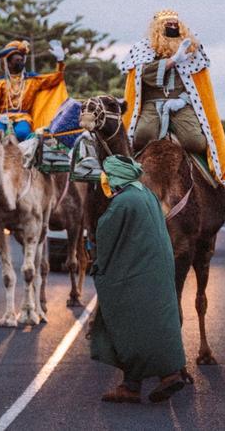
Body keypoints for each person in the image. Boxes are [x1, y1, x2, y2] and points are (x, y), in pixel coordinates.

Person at [89, 155, 186, 404]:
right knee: (155, 324)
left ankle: (134, 385)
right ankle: (165, 375)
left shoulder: (123, 202)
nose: (106, 180)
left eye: (108, 175)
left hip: (134, 274)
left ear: (117, 176)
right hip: (156, 270)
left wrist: (98, 266)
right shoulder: (146, 193)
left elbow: (106, 235)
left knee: (127, 326)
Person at [119, 10, 225, 188]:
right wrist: (173, 60)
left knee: (195, 141)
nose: (173, 26)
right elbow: (144, 75)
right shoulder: (143, 48)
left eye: (175, 24)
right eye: (168, 24)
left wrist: (183, 100)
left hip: (182, 103)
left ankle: (210, 169)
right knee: (140, 136)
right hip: (153, 103)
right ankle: (130, 172)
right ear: (158, 28)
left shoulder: (192, 48)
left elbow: (200, 88)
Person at [0, 40, 69, 141]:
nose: (20, 62)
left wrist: (60, 60)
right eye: (17, 60)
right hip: (2, 118)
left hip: (23, 117)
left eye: (21, 60)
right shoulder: (0, 84)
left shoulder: (32, 80)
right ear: (7, 63)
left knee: (22, 133)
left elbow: (55, 79)